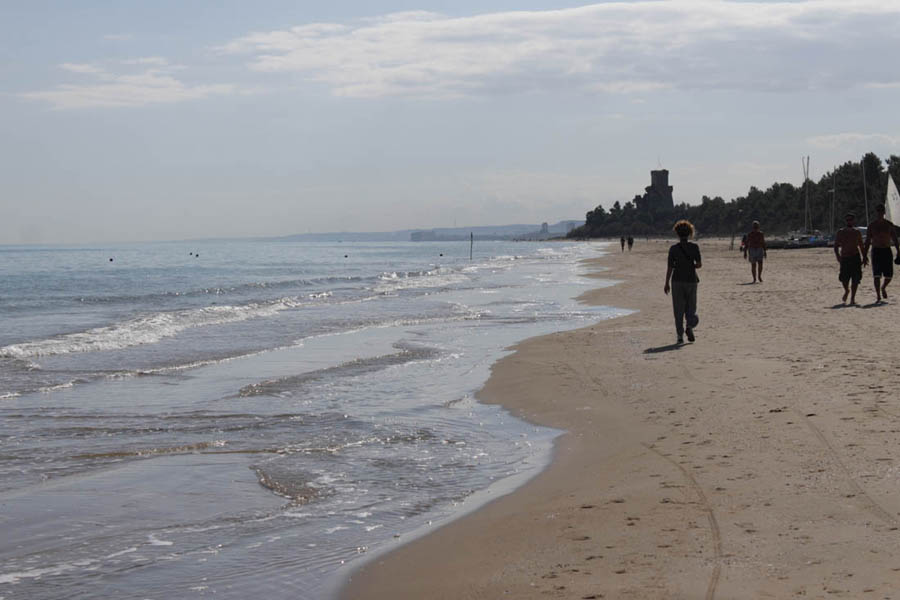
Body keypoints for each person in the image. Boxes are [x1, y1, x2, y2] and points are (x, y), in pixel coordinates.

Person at [664, 220, 702, 344]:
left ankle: (680, 336)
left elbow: (670, 267)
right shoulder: (694, 247)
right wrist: (691, 265)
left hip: (677, 281)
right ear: (690, 233)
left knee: (678, 309)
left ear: (677, 233)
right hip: (691, 280)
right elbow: (699, 264)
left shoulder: (673, 249)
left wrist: (666, 283)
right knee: (691, 308)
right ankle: (689, 327)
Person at [863, 203, 900, 303]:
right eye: (878, 211)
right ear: (876, 212)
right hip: (876, 251)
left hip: (887, 250)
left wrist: (898, 251)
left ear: (884, 212)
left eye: (881, 211)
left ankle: (883, 287)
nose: (880, 213)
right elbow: (867, 241)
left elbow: (895, 239)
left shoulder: (889, 224)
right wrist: (864, 255)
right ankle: (878, 295)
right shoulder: (872, 226)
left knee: (889, 275)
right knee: (877, 275)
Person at [834, 212, 867, 305]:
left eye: (851, 219)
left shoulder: (857, 232)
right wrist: (837, 256)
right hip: (845, 257)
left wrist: (864, 257)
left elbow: (861, 246)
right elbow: (836, 245)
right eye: (847, 220)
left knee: (855, 279)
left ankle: (852, 298)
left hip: (855, 257)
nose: (849, 221)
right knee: (844, 279)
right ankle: (846, 290)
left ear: (853, 221)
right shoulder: (840, 232)